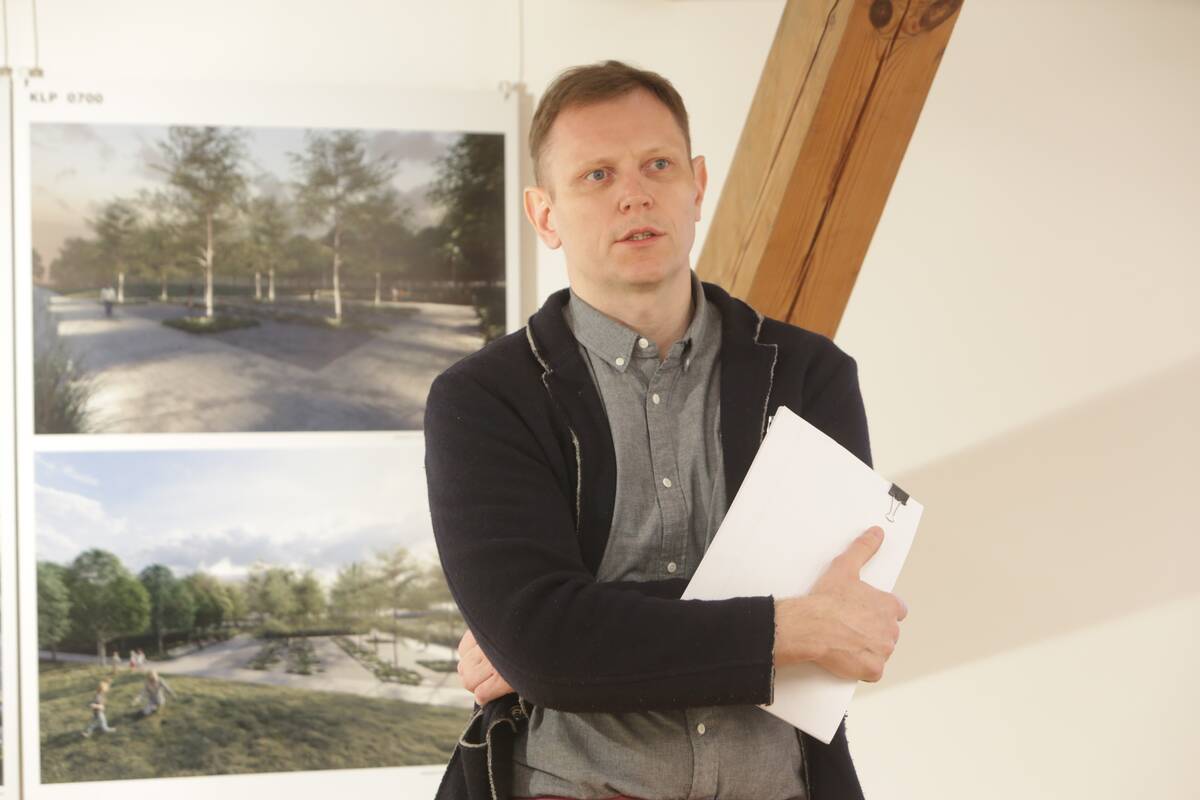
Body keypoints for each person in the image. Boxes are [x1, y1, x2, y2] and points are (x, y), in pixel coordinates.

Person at [424, 61, 908, 800]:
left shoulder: (812, 377)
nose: (635, 193)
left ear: (698, 185)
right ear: (545, 215)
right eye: (596, 175)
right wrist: (789, 627)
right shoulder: (483, 399)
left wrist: (573, 634)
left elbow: (847, 619)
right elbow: (545, 642)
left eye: (658, 164)